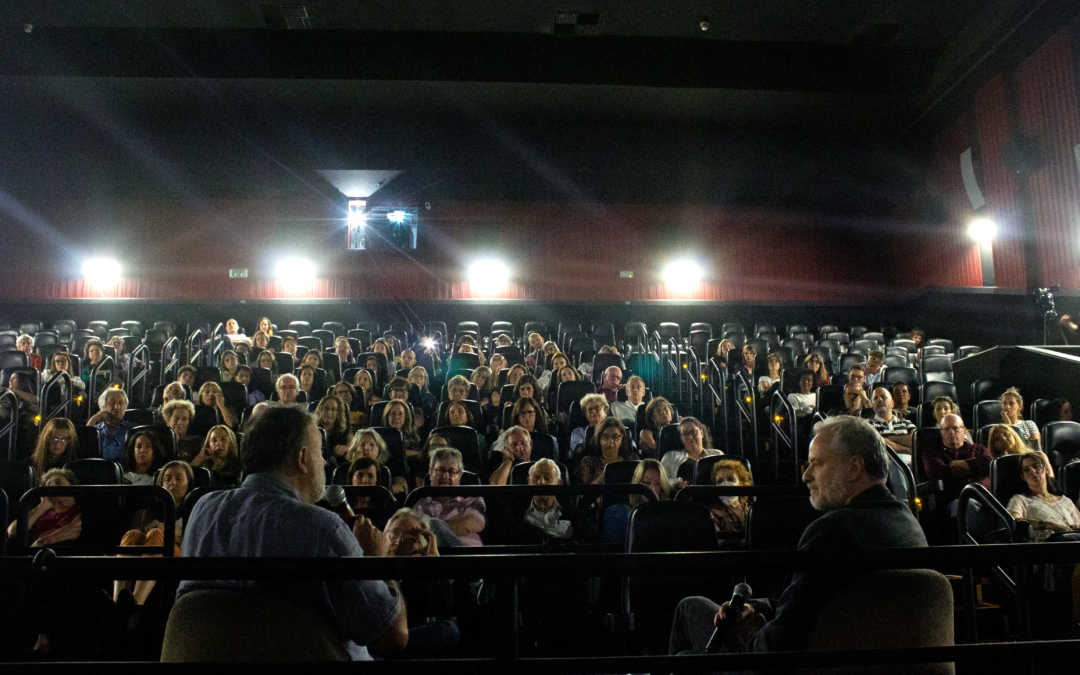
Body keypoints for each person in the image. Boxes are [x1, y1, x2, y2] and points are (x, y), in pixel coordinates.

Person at [668, 415, 927, 655]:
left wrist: (750, 631)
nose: (806, 475)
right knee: (687, 658)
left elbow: (776, 645)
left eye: (817, 463)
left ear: (855, 467)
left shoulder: (834, 531)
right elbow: (820, 605)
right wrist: (759, 607)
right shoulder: (907, 521)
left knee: (688, 608)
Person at [178, 406, 408, 660]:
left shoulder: (201, 510)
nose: (323, 462)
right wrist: (377, 560)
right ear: (302, 459)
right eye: (319, 452)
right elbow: (392, 636)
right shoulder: (323, 527)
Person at [114, 460, 193, 614]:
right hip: (145, 555)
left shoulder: (193, 512)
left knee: (157, 534)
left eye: (178, 478)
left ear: (188, 483)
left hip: (176, 556)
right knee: (133, 535)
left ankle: (136, 605)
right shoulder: (146, 513)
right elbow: (136, 539)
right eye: (168, 479)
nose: (173, 483)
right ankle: (117, 601)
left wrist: (169, 534)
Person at [383, 509, 460, 658]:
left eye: (410, 537)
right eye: (395, 533)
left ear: (420, 543)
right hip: (378, 634)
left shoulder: (420, 574)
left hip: (408, 639)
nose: (399, 542)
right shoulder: (369, 561)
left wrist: (435, 566)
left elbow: (444, 611)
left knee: (450, 630)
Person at [413, 447, 485, 547]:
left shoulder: (472, 501)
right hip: (430, 557)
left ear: (459, 476)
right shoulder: (420, 504)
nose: (446, 476)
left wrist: (433, 529)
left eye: (451, 471)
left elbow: (468, 525)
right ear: (431, 474)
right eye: (441, 470)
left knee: (433, 524)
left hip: (465, 555)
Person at [1007, 452, 1080, 542]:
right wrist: (1051, 525)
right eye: (1026, 470)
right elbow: (1014, 522)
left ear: (1045, 469)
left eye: (1036, 466)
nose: (1032, 471)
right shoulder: (1020, 500)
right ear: (1023, 477)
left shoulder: (1066, 501)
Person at [921, 414, 991, 503]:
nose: (951, 432)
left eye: (955, 428)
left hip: (984, 499)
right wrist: (973, 470)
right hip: (952, 500)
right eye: (946, 429)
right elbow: (937, 473)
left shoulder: (979, 449)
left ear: (964, 431)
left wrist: (954, 464)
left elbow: (988, 464)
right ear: (941, 432)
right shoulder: (931, 453)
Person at [8, 468, 82, 549]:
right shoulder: (43, 511)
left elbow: (75, 529)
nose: (53, 486)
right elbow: (12, 532)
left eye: (58, 482)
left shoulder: (78, 510)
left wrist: (43, 541)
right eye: (49, 484)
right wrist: (43, 506)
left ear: (71, 486)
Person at [602, 458, 669, 543]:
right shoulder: (618, 513)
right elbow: (613, 550)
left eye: (658, 484)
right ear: (637, 483)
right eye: (647, 483)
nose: (652, 488)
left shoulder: (666, 514)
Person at [662, 417, 723, 486]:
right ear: (681, 438)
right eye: (685, 434)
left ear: (701, 433)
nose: (690, 437)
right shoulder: (670, 457)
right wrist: (678, 483)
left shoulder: (717, 454)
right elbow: (661, 480)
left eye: (693, 432)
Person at [868, 387, 915, 460]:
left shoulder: (906, 423)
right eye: (875, 398)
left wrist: (886, 438)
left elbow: (915, 441)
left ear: (892, 403)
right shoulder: (868, 425)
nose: (879, 400)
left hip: (908, 468)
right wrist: (907, 449)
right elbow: (876, 444)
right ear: (872, 406)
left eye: (883, 397)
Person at [88, 388, 132, 461]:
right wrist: (94, 418)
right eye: (112, 403)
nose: (117, 407)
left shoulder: (131, 429)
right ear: (103, 406)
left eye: (121, 403)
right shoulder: (95, 429)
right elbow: (86, 441)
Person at [709, 459, 753, 533]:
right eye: (720, 481)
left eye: (731, 479)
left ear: (741, 484)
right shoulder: (711, 514)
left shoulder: (750, 510)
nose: (725, 484)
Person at [316, 394, 353, 466]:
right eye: (326, 408)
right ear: (320, 409)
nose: (329, 412)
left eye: (333, 409)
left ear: (338, 413)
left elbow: (354, 447)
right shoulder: (312, 430)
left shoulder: (345, 432)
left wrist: (347, 448)